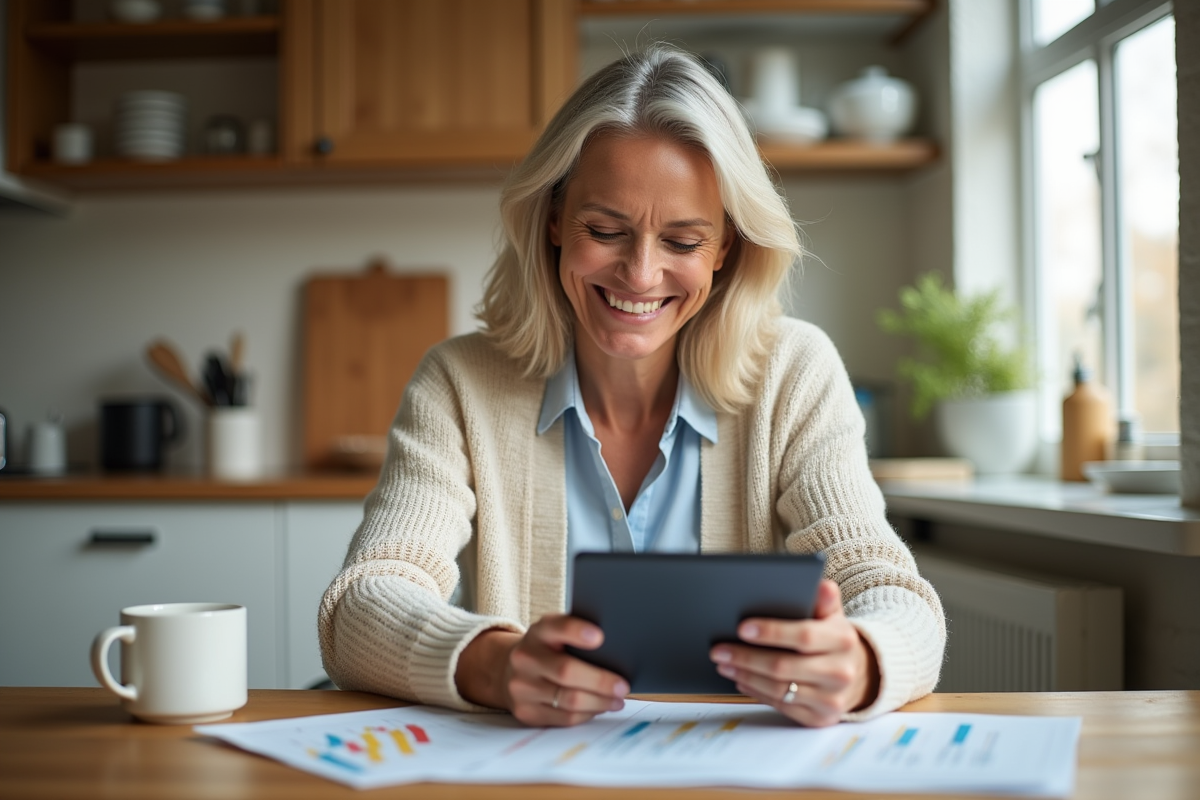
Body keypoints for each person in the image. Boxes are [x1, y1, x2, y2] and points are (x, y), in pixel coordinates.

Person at [318, 45, 945, 729]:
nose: (640, 275)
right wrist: (495, 664)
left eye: (683, 242)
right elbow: (361, 605)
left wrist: (860, 660)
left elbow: (891, 592)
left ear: (726, 246)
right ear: (553, 219)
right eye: (605, 230)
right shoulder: (459, 383)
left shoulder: (795, 374)